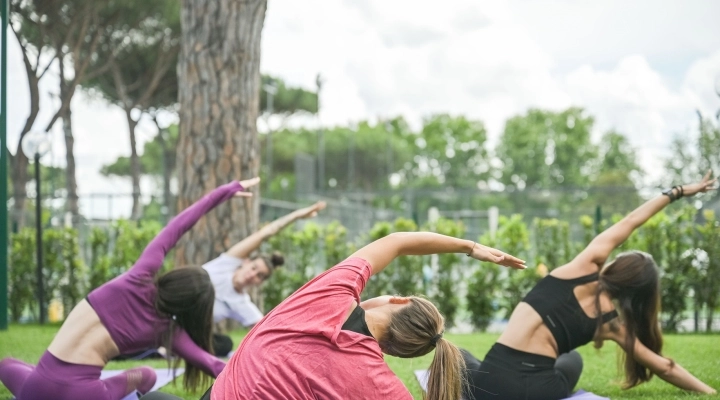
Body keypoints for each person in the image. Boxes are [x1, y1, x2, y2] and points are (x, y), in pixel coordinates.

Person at [462, 171, 718, 400]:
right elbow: (665, 367)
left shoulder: (583, 266)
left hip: (490, 384)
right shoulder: (613, 326)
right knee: (572, 358)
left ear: (616, 266)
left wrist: (677, 192)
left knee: (462, 357)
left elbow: (631, 221)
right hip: (542, 391)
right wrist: (710, 392)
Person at [0, 178, 260, 400]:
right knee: (145, 374)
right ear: (193, 309)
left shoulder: (139, 276)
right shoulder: (168, 332)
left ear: (172, 278)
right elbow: (214, 365)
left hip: (35, 388)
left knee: (7, 364)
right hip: (86, 394)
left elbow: (178, 226)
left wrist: (223, 192)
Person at [209, 231, 526, 400]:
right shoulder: (375, 379)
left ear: (398, 300)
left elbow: (397, 242)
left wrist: (470, 247)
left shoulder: (328, 294)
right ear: (393, 350)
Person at [203, 201, 327, 356]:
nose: (252, 275)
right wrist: (297, 215)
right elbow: (265, 233)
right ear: (246, 262)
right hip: (169, 304)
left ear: (259, 283)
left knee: (225, 344)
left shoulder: (241, 304)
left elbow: (268, 332)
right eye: (254, 268)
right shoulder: (227, 263)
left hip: (185, 331)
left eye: (259, 276)